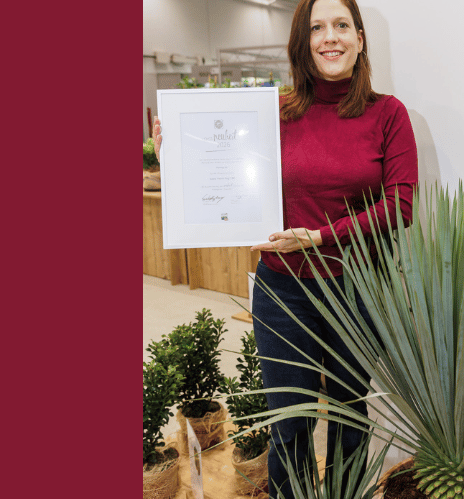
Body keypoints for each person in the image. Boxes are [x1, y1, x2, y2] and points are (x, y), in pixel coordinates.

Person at [154, 1, 418, 497]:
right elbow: (228, 171)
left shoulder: (388, 113)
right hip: (283, 290)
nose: (330, 37)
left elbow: (400, 205)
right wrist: (180, 153)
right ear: (303, 43)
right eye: (317, 28)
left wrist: (320, 236)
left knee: (348, 413)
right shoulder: (272, 112)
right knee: (289, 423)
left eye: (341, 25)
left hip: (356, 290)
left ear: (360, 38)